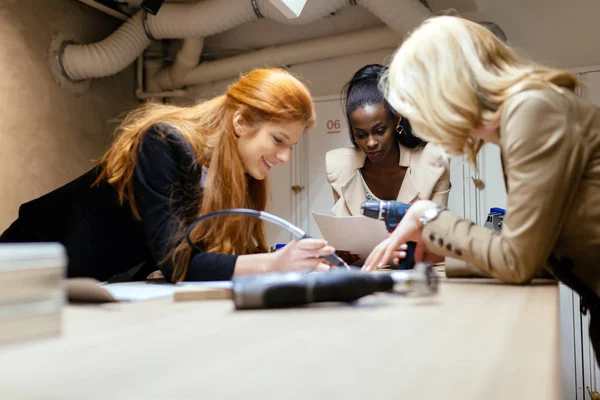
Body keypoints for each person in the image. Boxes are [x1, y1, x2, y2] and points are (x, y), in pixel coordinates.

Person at [363, 16, 600, 359]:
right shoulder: (528, 111)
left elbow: (517, 261)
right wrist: (446, 251)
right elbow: (535, 253)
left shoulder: (532, 110)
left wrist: (428, 216)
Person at [0, 68, 337, 283]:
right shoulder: (164, 142)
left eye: (291, 146)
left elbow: (211, 257)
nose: (284, 157)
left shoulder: (234, 172)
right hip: (30, 255)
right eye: (278, 140)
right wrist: (274, 263)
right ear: (240, 122)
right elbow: (180, 262)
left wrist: (290, 261)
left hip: (87, 276)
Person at [325, 64, 450, 264]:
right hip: (366, 278)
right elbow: (347, 244)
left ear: (397, 120)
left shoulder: (433, 163)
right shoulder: (339, 167)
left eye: (380, 130)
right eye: (361, 135)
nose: (371, 142)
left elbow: (436, 240)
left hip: (416, 277)